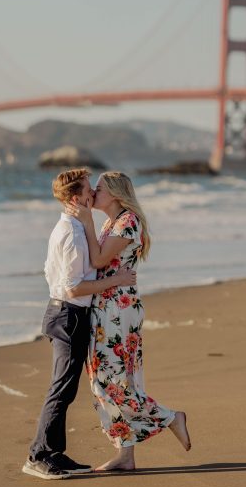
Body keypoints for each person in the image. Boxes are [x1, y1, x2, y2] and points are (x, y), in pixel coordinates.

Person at [65, 171, 191, 471]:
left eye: (100, 188)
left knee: (112, 382)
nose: (93, 192)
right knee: (107, 379)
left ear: (117, 195)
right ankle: (126, 454)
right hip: (106, 306)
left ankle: (171, 417)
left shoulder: (127, 222)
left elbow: (98, 261)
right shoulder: (112, 222)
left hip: (117, 311)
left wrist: (85, 221)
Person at [22, 168, 137, 481]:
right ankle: (39, 456)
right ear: (77, 198)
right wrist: (118, 279)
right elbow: (74, 287)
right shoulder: (73, 234)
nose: (93, 194)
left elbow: (51, 272)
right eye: (89, 190)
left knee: (66, 389)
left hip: (67, 313)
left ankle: (54, 453)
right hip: (69, 314)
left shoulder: (72, 226)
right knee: (61, 389)